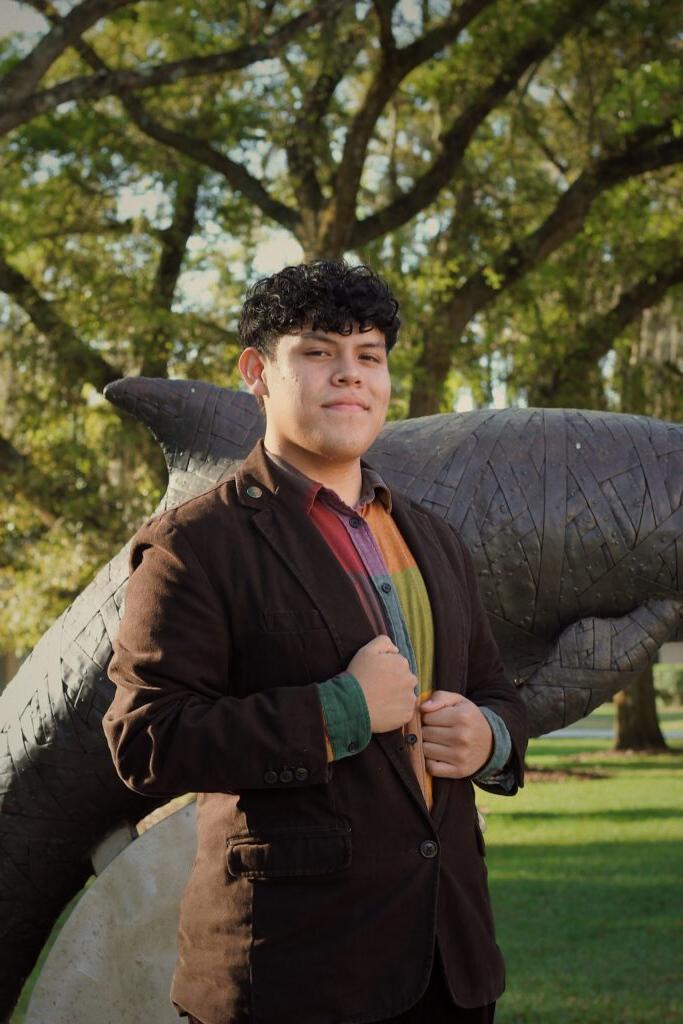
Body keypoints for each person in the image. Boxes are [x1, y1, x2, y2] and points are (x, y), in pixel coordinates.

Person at [103, 258, 528, 1024]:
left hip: (449, 962)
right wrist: (341, 710)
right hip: (291, 974)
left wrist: (489, 735)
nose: (349, 375)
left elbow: (495, 690)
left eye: (368, 356)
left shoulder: (431, 538)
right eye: (317, 352)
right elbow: (145, 740)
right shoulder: (193, 545)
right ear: (256, 372)